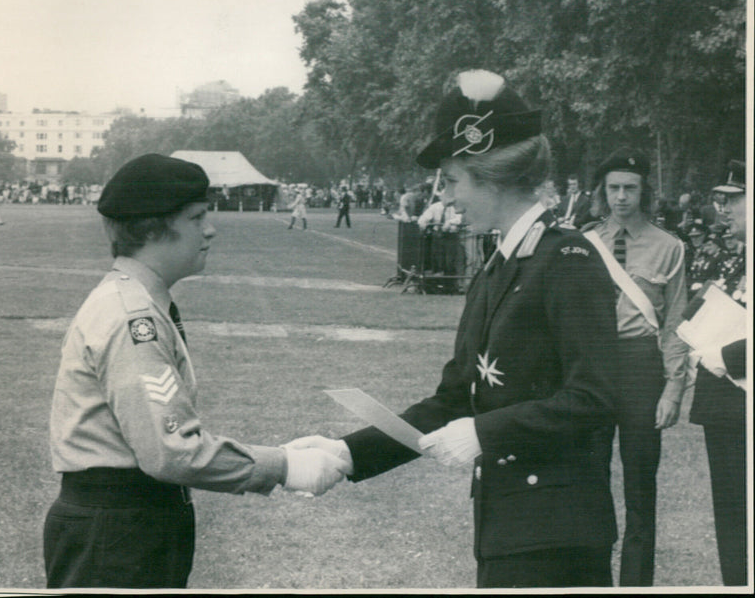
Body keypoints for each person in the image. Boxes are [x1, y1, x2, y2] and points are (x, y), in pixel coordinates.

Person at [289, 70, 621, 588]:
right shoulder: (498, 267)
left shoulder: (567, 258)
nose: (443, 195)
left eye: (451, 180)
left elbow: (596, 397)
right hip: (507, 523)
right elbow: (455, 398)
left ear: (492, 178)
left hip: (559, 533)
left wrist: (486, 432)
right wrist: (349, 453)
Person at [43, 154, 348, 589]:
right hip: (118, 530)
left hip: (126, 522)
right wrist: (284, 466)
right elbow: (172, 452)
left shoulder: (136, 303)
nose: (210, 229)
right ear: (153, 228)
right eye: (197, 217)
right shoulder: (133, 318)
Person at [583, 148, 689, 587]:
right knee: (588, 477)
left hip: (641, 365)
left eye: (630, 188)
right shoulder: (584, 242)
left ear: (645, 192)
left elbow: (676, 323)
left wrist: (673, 389)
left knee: (641, 483)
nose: (621, 197)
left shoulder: (670, 247)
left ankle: (636, 583)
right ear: (603, 192)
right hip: (592, 366)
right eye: (614, 188)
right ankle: (589, 577)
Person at [689, 161, 747, 586]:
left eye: (735, 200)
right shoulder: (733, 258)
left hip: (740, 394)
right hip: (725, 409)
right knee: (732, 519)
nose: (723, 209)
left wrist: (725, 357)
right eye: (721, 201)